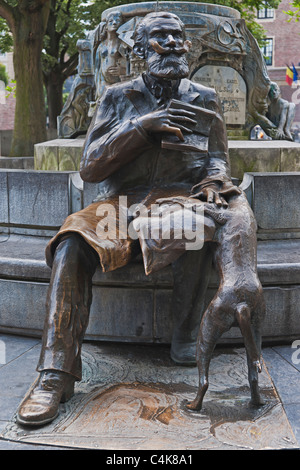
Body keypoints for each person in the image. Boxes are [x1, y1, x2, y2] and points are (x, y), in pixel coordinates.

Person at [17, 11, 262, 426]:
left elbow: (217, 158)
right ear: (140, 49)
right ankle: (55, 374)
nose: (173, 43)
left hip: (178, 200)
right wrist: (140, 128)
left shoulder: (203, 96)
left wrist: (214, 180)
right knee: (72, 242)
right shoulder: (117, 96)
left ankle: (184, 335)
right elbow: (90, 167)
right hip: (119, 206)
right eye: (161, 36)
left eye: (178, 36)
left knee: (200, 226)